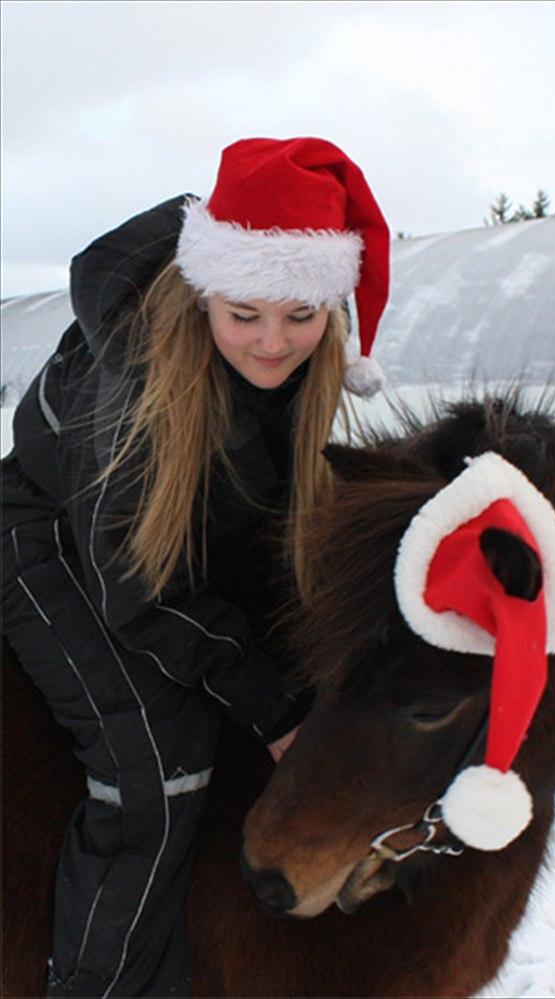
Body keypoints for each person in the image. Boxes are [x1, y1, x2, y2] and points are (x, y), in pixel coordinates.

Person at [0, 136, 390, 998]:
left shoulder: (297, 369)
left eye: (299, 315)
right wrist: (277, 708)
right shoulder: (145, 382)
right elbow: (137, 587)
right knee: (156, 763)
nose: (272, 341)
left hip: (146, 545)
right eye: (244, 314)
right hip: (46, 536)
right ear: (203, 292)